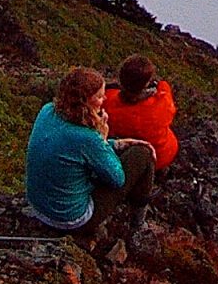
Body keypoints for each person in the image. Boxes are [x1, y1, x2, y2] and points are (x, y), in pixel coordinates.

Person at [25, 65, 154, 255]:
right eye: (100, 96)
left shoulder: (47, 111)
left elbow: (72, 148)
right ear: (86, 101)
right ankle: (138, 225)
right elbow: (117, 178)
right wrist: (102, 138)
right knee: (143, 154)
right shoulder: (87, 138)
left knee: (113, 155)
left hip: (37, 206)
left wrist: (116, 143)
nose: (105, 99)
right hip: (70, 219)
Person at [101, 53, 179, 172]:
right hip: (161, 157)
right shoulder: (161, 103)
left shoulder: (107, 100)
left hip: (123, 154)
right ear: (146, 83)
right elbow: (163, 86)